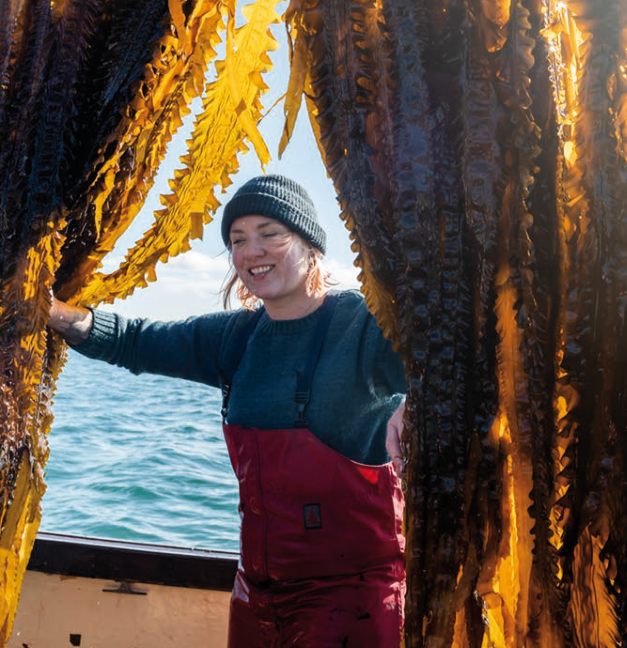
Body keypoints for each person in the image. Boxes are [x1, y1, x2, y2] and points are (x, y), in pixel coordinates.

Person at [49, 174, 407, 647]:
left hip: (356, 600)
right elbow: (135, 340)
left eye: (269, 233)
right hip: (257, 598)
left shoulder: (365, 327)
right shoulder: (234, 338)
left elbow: (458, 360)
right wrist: (50, 311)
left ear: (309, 243)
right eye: (238, 240)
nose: (251, 251)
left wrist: (417, 397)